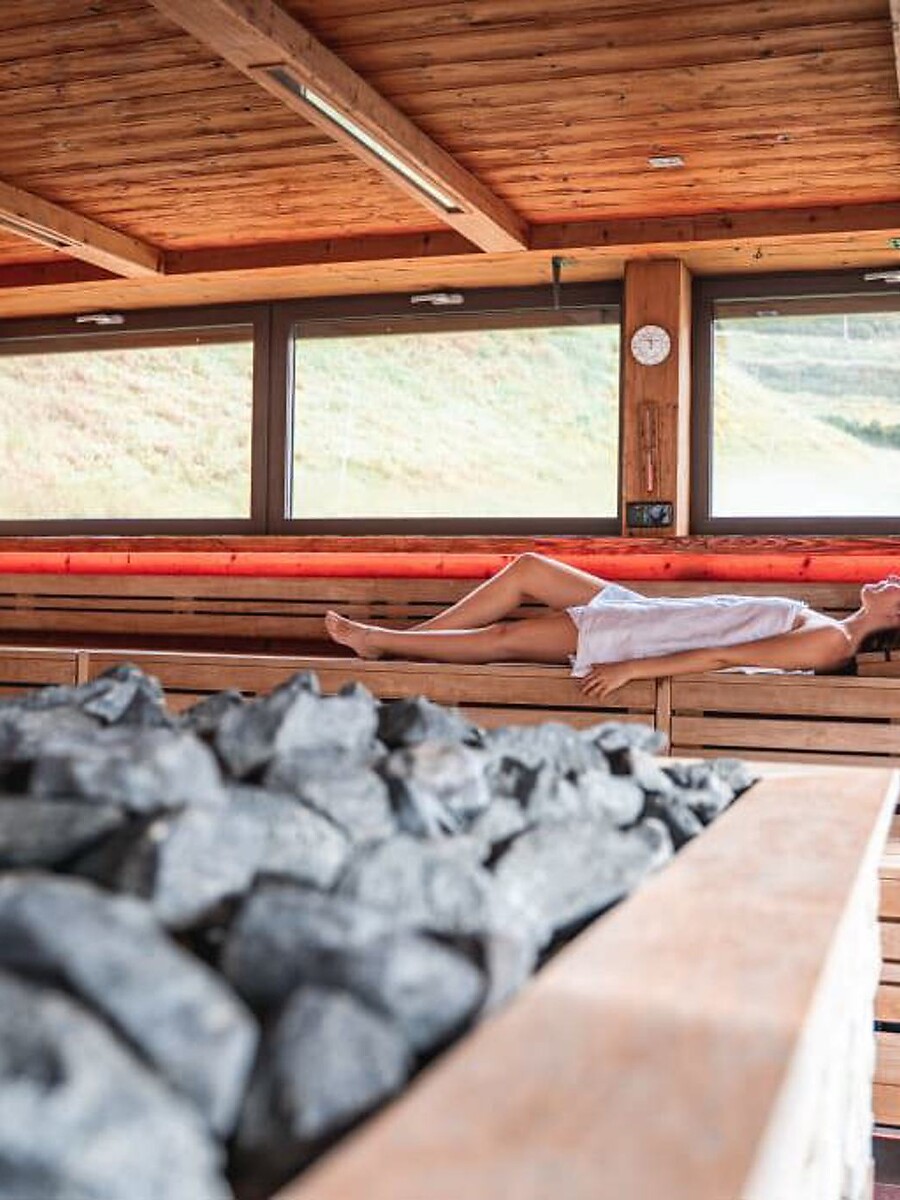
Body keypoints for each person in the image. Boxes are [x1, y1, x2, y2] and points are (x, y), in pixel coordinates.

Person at [324, 553, 900, 701]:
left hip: (643, 639)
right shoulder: (831, 626)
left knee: (504, 641)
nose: (891, 577)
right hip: (649, 614)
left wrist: (631, 668)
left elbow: (724, 657)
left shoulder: (832, 641)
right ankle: (405, 646)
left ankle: (385, 644)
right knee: (528, 569)